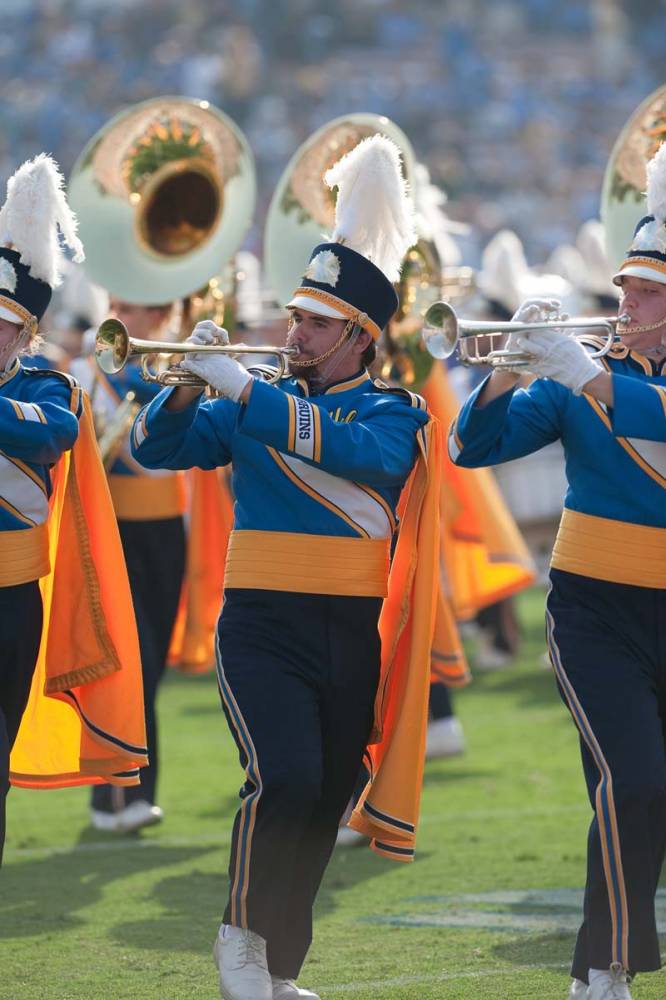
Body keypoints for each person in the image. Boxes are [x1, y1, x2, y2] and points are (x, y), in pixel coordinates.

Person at [131, 135, 441, 1000]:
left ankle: (280, 968)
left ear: (359, 338)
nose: (291, 331)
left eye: (313, 323)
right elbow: (158, 449)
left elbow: (358, 457)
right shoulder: (251, 398)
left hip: (349, 628)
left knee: (328, 791)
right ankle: (240, 936)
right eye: (295, 316)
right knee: (286, 776)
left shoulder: (394, 409)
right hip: (262, 621)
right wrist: (188, 383)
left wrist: (242, 389)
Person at [448, 142, 666, 1000]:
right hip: (593, 608)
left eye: (646, 292)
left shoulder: (599, 379)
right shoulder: (585, 374)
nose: (625, 302)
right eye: (624, 288)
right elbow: (475, 447)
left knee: (647, 796)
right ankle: (604, 972)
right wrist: (508, 368)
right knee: (633, 778)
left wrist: (593, 380)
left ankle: (597, 966)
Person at [0, 155, 147, 862]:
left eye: (2, 325)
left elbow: (51, 433)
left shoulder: (49, 385)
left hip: (9, 599)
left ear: (26, 332)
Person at [71, 297, 187, 834]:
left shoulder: (175, 369)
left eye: (138, 308)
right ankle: (118, 795)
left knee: (152, 663)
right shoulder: (83, 373)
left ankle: (129, 790)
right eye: (118, 305)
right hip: (109, 527)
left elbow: (173, 462)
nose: (124, 315)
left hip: (165, 531)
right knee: (126, 659)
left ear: (162, 315)